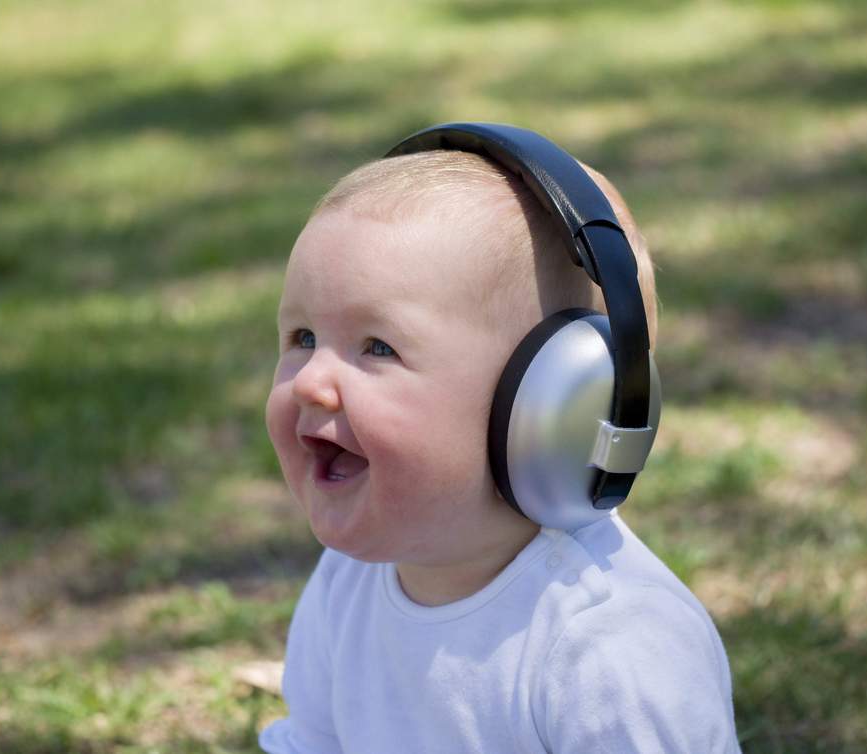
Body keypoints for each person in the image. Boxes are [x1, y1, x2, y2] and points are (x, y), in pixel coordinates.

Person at [260, 124, 740, 753]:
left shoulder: (607, 648)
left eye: (378, 348)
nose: (313, 383)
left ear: (551, 406)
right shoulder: (346, 584)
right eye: (302, 339)